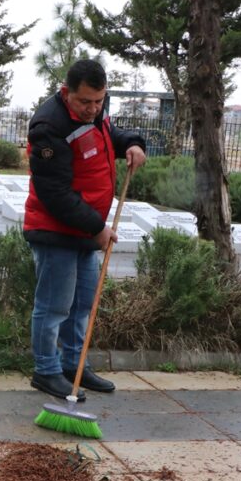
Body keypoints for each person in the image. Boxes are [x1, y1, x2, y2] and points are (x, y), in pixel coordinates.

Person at [23, 59, 147, 400]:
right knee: (54, 307)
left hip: (86, 231)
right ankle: (46, 371)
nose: (93, 108)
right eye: (85, 102)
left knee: (82, 305)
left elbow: (110, 134)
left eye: (99, 100)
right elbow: (55, 194)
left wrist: (132, 144)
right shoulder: (49, 126)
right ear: (67, 93)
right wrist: (98, 227)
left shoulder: (97, 110)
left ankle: (73, 365)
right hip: (55, 230)